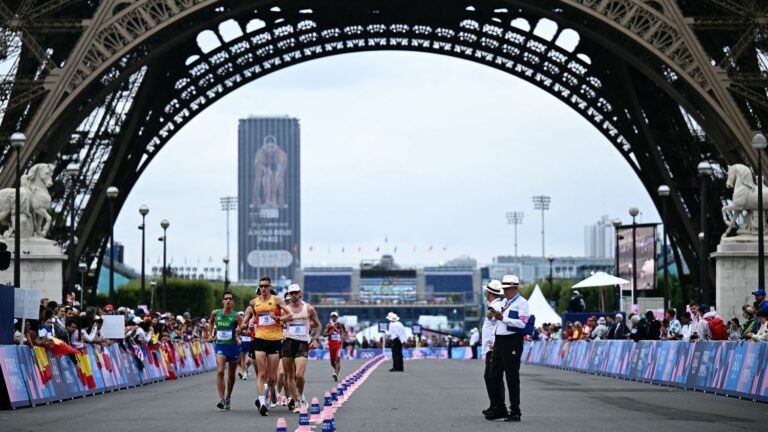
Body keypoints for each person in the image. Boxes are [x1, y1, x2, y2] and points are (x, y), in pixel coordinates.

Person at [241, 276, 292, 416]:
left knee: (272, 378)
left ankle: (268, 396)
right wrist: (247, 324)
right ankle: (262, 402)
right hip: (259, 339)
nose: (263, 288)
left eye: (265, 286)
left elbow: (290, 315)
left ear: (270, 287)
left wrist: (279, 319)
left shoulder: (277, 300)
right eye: (261, 286)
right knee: (262, 373)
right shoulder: (253, 303)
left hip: (275, 340)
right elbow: (244, 323)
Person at [486, 275, 529, 423]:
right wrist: (492, 315)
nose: (505, 292)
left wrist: (503, 318)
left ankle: (515, 410)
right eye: (504, 289)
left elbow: (522, 324)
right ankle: (499, 407)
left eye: (508, 289)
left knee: (511, 377)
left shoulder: (522, 303)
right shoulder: (504, 301)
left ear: (514, 288)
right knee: (493, 375)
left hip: (512, 340)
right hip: (500, 340)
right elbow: (495, 316)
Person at [281, 283, 321, 412]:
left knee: (299, 375)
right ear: (289, 295)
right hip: (288, 343)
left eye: (295, 293)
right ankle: (296, 402)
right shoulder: (285, 309)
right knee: (289, 375)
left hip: (302, 344)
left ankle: (300, 394)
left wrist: (315, 339)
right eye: (291, 293)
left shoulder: (308, 308)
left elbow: (318, 324)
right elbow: (279, 325)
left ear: (300, 294)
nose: (293, 295)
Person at [208, 291, 242, 411]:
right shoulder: (215, 313)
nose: (228, 300)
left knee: (231, 375)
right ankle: (222, 400)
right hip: (220, 346)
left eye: (230, 299)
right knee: (220, 371)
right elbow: (211, 321)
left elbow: (242, 328)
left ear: (232, 302)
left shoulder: (236, 315)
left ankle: (228, 397)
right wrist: (211, 334)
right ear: (222, 301)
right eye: (226, 298)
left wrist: (238, 332)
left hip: (232, 347)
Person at [481, 280, 504, 417]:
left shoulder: (495, 306)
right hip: (491, 348)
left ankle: (498, 406)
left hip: (494, 348)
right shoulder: (495, 305)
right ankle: (495, 404)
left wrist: (491, 312)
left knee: (492, 377)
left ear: (489, 293)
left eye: (486, 292)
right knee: (492, 377)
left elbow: (497, 317)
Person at [323, 311, 346, 381]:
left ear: (337, 318)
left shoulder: (339, 324)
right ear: (331, 317)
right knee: (332, 362)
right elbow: (324, 334)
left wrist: (341, 339)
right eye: (333, 316)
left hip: (338, 345)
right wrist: (330, 333)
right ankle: (336, 370)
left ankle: (336, 373)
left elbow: (342, 332)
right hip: (331, 345)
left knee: (337, 359)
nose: (334, 318)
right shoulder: (328, 325)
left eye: (335, 317)